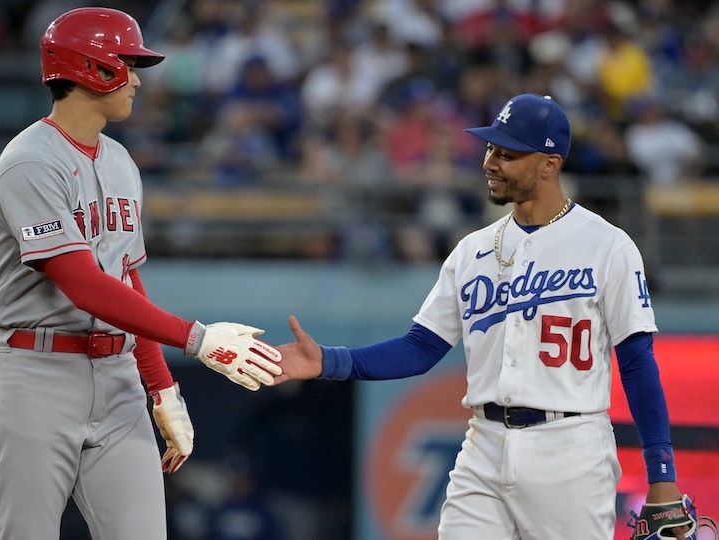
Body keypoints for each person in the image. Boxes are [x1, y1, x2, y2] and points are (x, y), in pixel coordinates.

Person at [274, 94, 691, 539]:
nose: (490, 162)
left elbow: (637, 362)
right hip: (483, 443)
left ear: (549, 164)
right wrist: (330, 362)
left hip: (569, 448)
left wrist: (662, 475)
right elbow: (420, 348)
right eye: (490, 149)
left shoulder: (608, 246)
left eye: (507, 154)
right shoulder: (472, 250)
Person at [0, 8, 281, 540]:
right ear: (93, 69)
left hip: (116, 379)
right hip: (33, 371)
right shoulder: (29, 161)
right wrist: (199, 339)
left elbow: (125, 281)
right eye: (128, 63)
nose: (137, 78)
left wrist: (161, 387)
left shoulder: (119, 161)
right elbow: (82, 283)